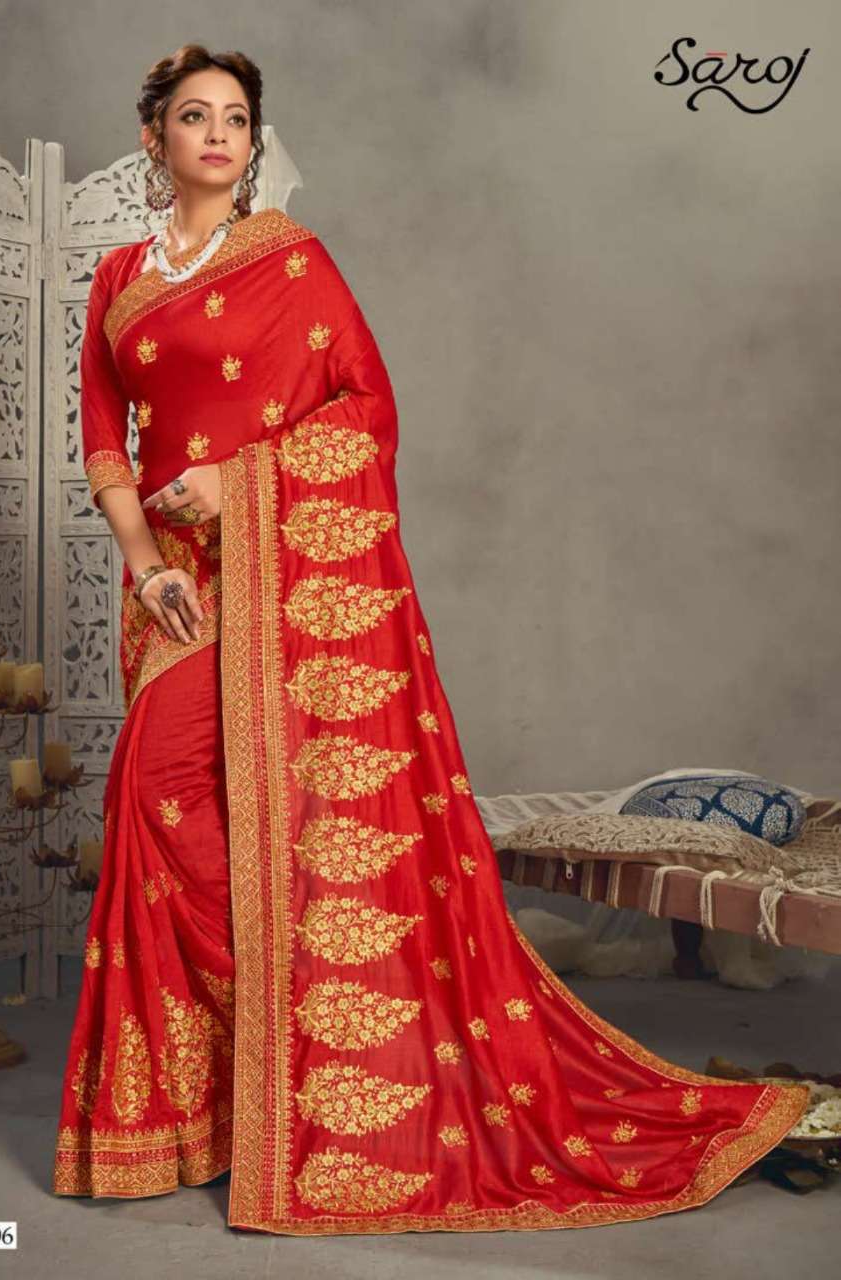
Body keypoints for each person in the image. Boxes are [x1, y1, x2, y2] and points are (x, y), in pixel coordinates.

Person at [51, 43, 809, 1234]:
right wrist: (147, 563)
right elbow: (105, 437)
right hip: (176, 588)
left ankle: (333, 1058)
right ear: (155, 139)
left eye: (237, 118)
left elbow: (367, 410)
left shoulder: (293, 263)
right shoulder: (116, 279)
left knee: (248, 815)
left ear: (252, 143)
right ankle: (253, 1078)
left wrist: (239, 483)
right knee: (162, 805)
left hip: (280, 574)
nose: (218, 134)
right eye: (194, 116)